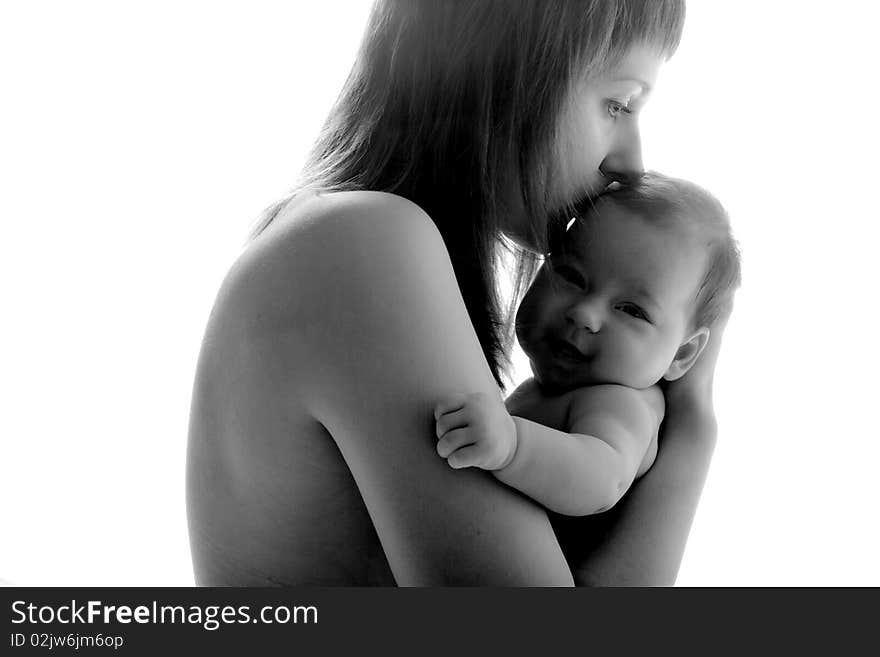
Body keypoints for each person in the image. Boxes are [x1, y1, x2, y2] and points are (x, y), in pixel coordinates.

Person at [187, 0, 719, 586]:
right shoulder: (363, 243)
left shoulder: (336, 239)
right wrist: (691, 433)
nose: (631, 163)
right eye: (618, 103)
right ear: (508, 70)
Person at [434, 173, 741, 518]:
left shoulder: (624, 404)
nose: (585, 315)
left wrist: (513, 446)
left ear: (682, 354)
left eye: (631, 310)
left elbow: (601, 478)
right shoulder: (564, 392)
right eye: (571, 276)